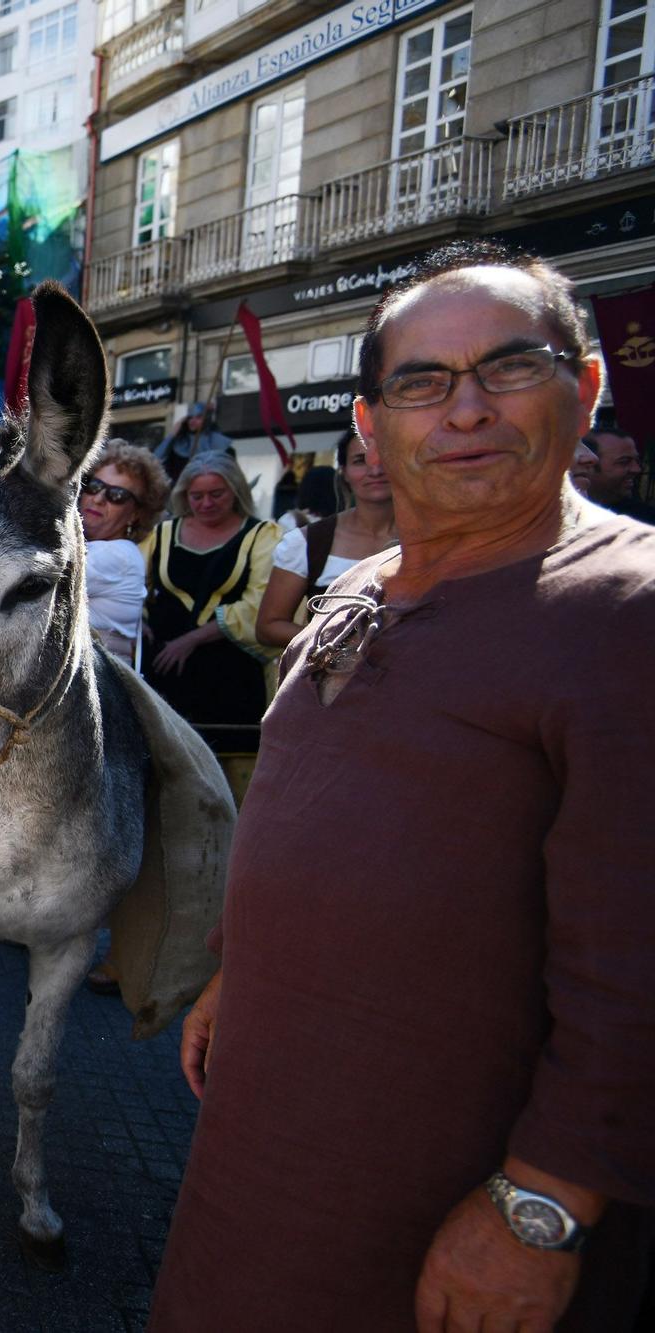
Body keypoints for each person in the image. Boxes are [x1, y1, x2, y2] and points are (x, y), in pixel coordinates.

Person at [152, 242, 655, 1332]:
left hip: (440, 1201)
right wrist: (242, 971)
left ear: (587, 385)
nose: (463, 410)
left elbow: (632, 965)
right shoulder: (360, 586)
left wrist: (542, 1204)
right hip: (259, 1147)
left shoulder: (625, 612)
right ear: (372, 428)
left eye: (508, 368)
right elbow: (324, 805)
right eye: (422, 383)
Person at [143, 450, 280, 781]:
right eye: (197, 496)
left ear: (235, 491)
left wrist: (192, 639)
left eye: (216, 494)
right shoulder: (160, 534)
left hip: (231, 679)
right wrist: (140, 622)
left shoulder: (263, 535)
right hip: (166, 678)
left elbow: (260, 603)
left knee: (232, 776)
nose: (206, 503)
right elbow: (135, 588)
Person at [257, 429, 397, 651]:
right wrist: (339, 640)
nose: (375, 470)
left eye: (384, 459)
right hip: (333, 678)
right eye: (360, 460)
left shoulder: (433, 536)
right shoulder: (308, 542)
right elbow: (268, 627)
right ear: (344, 472)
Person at [79, 440, 168, 661]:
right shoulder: (96, 547)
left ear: (137, 514)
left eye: (116, 495)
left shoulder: (118, 555)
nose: (98, 499)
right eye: (94, 486)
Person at [153, 400, 235, 482]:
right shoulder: (178, 446)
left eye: (198, 417)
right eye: (190, 418)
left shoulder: (222, 446)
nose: (192, 421)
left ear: (207, 419)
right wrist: (172, 435)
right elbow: (156, 459)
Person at [583, 425, 649, 519]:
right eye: (624, 462)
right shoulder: (563, 516)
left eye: (637, 461)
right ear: (587, 465)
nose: (637, 469)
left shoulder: (644, 519)